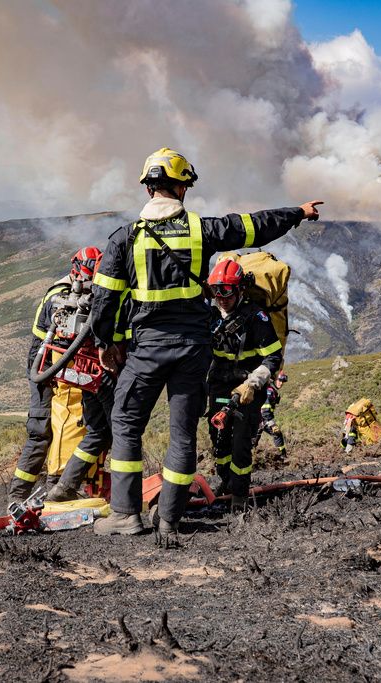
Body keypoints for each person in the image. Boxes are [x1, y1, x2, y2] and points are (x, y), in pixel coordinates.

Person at [86, 146, 322, 538]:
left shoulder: (125, 239)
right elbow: (253, 226)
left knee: (126, 423)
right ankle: (170, 520)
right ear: (182, 189)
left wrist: (106, 342)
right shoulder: (201, 230)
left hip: (146, 349)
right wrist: (297, 212)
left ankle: (126, 516)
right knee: (183, 434)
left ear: (148, 189)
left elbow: (104, 299)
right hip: (194, 352)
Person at [7, 246, 104, 504]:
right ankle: (17, 497)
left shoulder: (86, 289)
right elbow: (65, 318)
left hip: (65, 362)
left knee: (69, 423)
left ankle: (57, 488)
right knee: (41, 429)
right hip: (45, 364)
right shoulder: (58, 295)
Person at [206, 258, 283, 511]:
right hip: (218, 385)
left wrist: (253, 383)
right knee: (218, 439)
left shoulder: (255, 317)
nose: (221, 297)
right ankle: (226, 481)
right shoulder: (209, 314)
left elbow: (273, 356)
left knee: (240, 443)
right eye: (216, 291)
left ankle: (239, 497)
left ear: (239, 289)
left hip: (247, 388)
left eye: (226, 291)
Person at [253, 372, 288, 460]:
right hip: (262, 419)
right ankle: (283, 456)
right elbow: (265, 409)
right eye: (280, 380)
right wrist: (271, 423)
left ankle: (251, 457)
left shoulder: (272, 389)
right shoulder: (270, 390)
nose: (281, 383)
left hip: (259, 419)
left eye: (283, 381)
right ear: (275, 379)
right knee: (277, 433)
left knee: (254, 440)